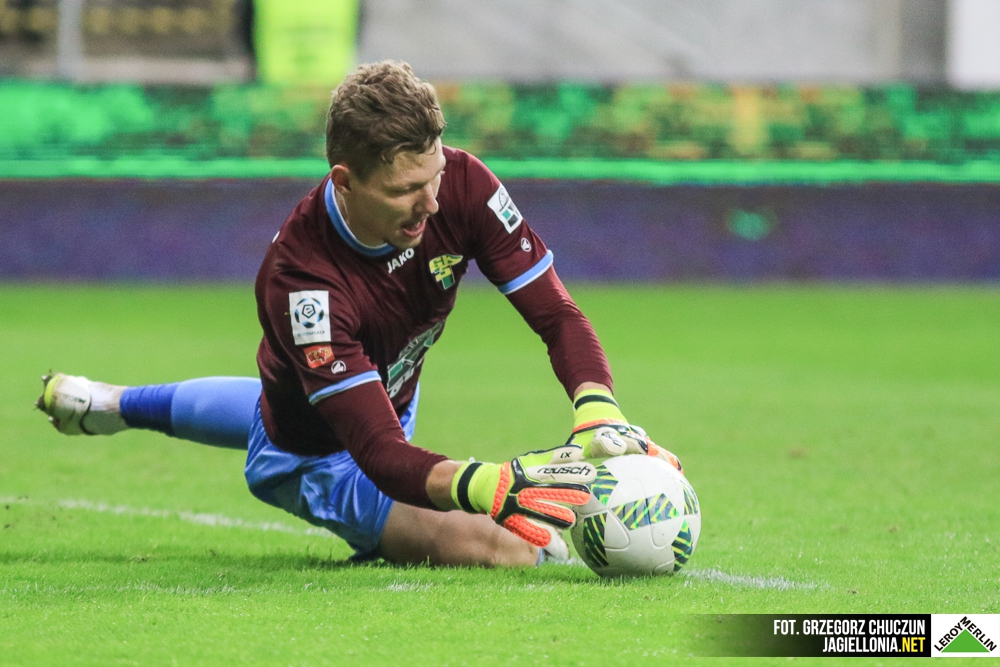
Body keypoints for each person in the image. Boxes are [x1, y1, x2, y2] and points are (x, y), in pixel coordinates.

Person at [38, 61, 680, 569]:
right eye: (405, 190)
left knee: (282, 399)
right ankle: (149, 415)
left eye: (433, 175)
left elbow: (557, 315)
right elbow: (378, 452)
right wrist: (492, 483)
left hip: (384, 394)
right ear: (344, 182)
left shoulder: (461, 183)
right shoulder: (304, 285)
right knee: (518, 549)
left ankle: (116, 404)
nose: (431, 203)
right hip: (320, 459)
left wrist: (599, 409)